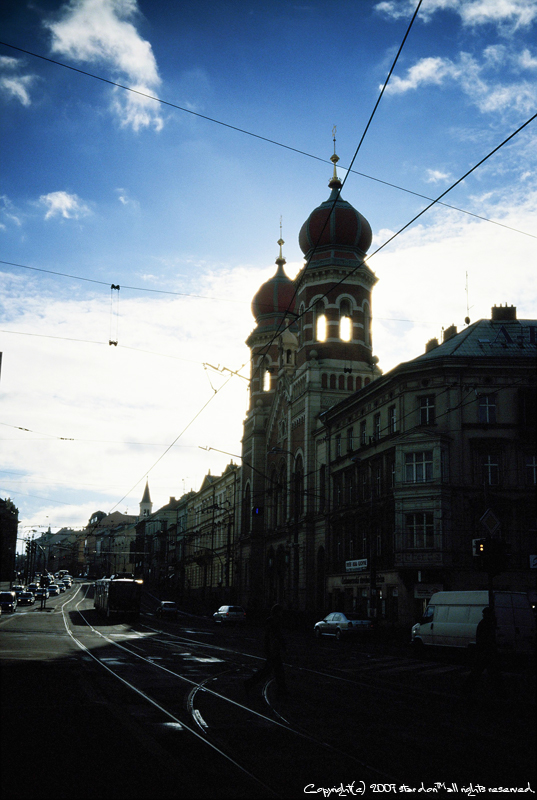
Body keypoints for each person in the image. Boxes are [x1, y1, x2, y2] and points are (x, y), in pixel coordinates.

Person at [244, 604, 288, 697]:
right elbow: (276, 637)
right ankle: (281, 690)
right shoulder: (275, 622)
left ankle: (250, 683)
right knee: (276, 671)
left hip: (272, 650)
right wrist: (282, 647)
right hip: (273, 651)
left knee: (270, 670)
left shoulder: (272, 622)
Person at [465, 606, 503, 690]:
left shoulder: (484, 623)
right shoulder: (487, 624)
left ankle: (468, 686)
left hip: (484, 651)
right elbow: (488, 638)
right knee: (487, 670)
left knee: (479, 670)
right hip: (486, 651)